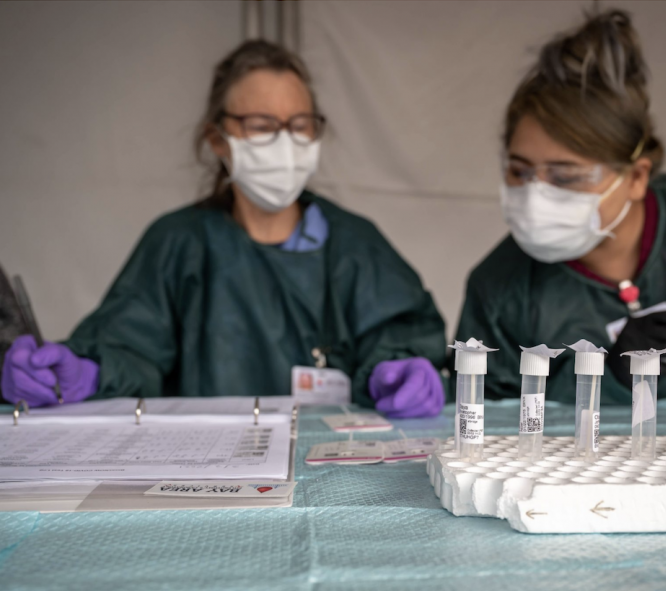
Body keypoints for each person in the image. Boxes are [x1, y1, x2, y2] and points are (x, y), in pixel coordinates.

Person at [1, 40, 446, 418]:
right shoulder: (178, 244)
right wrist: (84, 371)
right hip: (205, 478)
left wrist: (403, 369)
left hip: (339, 469)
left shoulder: (356, 244)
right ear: (218, 139)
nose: (285, 143)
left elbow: (401, 335)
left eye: (299, 126)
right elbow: (130, 348)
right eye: (261, 126)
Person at [455, 9, 666, 403]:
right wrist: (606, 375)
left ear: (636, 177)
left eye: (566, 176)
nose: (535, 195)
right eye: (519, 172)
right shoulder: (500, 289)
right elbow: (486, 425)